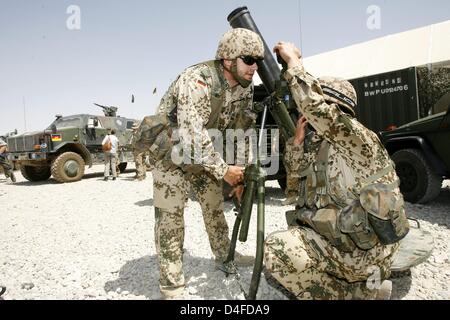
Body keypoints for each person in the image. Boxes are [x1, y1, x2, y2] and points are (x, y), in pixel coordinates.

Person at [264, 42, 410, 300]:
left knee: (277, 250)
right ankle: (360, 291)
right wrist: (296, 146)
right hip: (341, 244)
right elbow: (293, 189)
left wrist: (293, 62)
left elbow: (315, 107)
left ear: (334, 109)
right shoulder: (320, 144)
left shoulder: (358, 139)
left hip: (364, 254)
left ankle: (352, 291)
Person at [151, 28, 264, 298]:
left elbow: (242, 131)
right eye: (249, 59)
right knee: (171, 216)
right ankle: (172, 283)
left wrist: (239, 175)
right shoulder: (197, 80)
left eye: (257, 60)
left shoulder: (244, 89)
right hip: (172, 153)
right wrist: (223, 170)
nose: (254, 67)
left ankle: (225, 257)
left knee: (214, 207)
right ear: (228, 61)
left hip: (204, 154)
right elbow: (191, 135)